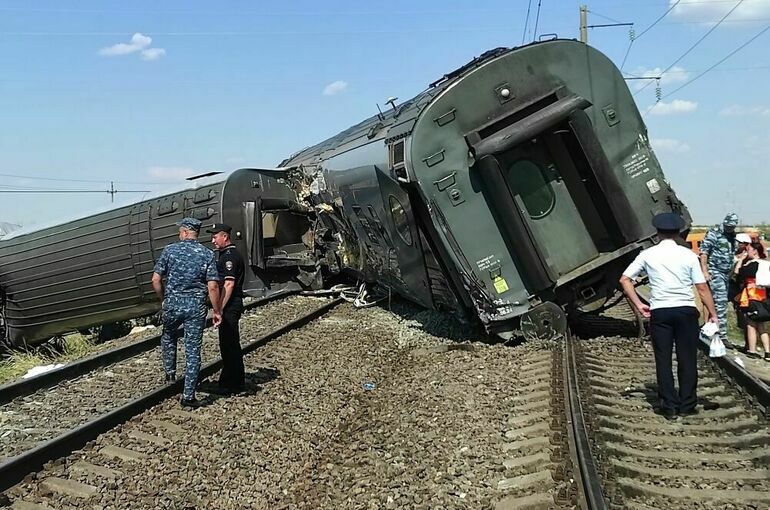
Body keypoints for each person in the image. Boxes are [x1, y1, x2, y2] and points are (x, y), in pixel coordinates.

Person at [620, 213, 718, 420]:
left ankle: (669, 406)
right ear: (677, 233)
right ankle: (688, 403)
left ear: (657, 233)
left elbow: (625, 279)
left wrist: (639, 304)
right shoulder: (689, 255)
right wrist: (712, 313)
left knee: (663, 359)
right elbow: (701, 287)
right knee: (687, 358)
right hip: (686, 311)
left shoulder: (648, 255)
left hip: (661, 312)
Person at [151, 217, 222, 408]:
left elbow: (155, 280)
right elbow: (213, 286)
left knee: (168, 337)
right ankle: (188, 396)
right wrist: (217, 310)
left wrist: (163, 300)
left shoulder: (170, 251)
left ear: (184, 232)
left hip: (172, 305)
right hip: (195, 308)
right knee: (193, 351)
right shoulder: (206, 254)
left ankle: (170, 373)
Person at [204, 222, 246, 394]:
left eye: (215, 237)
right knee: (228, 344)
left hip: (229, 304)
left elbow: (228, 284)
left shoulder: (229, 257)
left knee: (229, 344)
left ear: (224, 237)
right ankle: (232, 380)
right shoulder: (225, 255)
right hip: (229, 304)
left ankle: (232, 383)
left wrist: (218, 308)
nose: (213, 240)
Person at [699, 212, 739, 346]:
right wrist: (705, 271)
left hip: (725, 273)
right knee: (720, 302)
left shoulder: (732, 235)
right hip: (715, 271)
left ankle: (710, 330)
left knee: (719, 302)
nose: (729, 229)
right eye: (728, 226)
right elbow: (704, 252)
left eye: (732, 227)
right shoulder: (714, 233)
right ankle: (722, 335)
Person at [734, 241, 770, 360]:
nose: (746, 252)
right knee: (762, 326)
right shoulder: (765, 264)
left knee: (751, 325)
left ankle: (752, 350)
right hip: (764, 297)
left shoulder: (752, 265)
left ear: (754, 251)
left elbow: (737, 273)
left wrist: (741, 260)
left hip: (752, 297)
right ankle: (768, 352)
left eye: (748, 249)